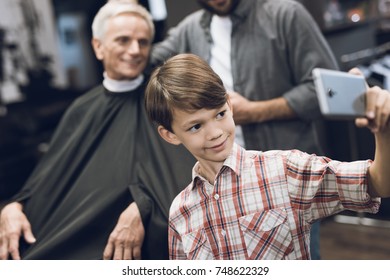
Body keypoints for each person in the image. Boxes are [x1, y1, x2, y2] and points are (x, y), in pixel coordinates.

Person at [144, 53, 390, 260]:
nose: (215, 133)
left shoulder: (285, 170)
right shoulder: (180, 212)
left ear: (229, 105)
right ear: (170, 135)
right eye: (196, 126)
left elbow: (378, 183)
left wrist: (385, 131)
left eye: (219, 114)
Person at [0, 2, 194, 260]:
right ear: (98, 46)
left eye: (143, 42)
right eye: (123, 40)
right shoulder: (81, 109)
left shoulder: (164, 104)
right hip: (75, 233)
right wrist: (14, 206)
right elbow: (48, 178)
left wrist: (144, 207)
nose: (135, 50)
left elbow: (187, 178)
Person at [150, 0, 340, 258]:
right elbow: (145, 59)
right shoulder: (190, 29)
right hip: (222, 184)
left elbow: (327, 89)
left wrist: (256, 110)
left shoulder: (284, 14)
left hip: (283, 182)